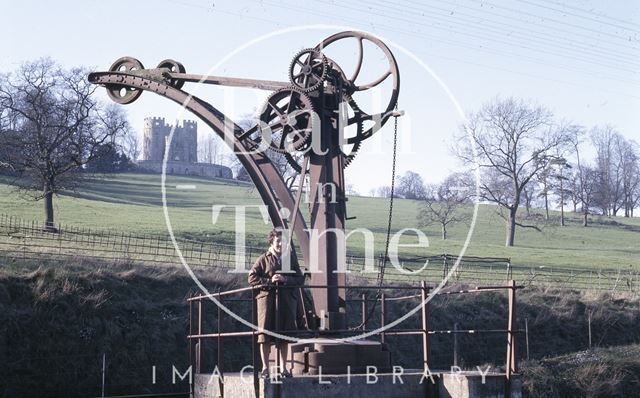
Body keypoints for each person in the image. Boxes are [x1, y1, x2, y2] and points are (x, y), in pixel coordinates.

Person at [248, 229, 303, 378]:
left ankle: (284, 368)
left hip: (286, 302)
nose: (281, 244)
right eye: (278, 241)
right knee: (264, 335)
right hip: (267, 303)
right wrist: (269, 281)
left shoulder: (290, 259)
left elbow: (300, 279)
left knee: (285, 335)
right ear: (272, 242)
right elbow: (252, 277)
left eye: (283, 241)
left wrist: (285, 280)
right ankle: (265, 368)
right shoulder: (263, 259)